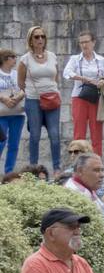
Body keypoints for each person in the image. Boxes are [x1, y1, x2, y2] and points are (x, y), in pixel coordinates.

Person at [63, 31, 104, 154]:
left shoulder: (102, 60)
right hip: (79, 96)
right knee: (79, 131)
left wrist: (102, 81)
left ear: (93, 42)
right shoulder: (75, 59)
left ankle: (97, 162)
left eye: (87, 42)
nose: (84, 45)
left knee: (97, 131)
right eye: (81, 43)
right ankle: (79, 162)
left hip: (96, 97)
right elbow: (67, 73)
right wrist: (83, 78)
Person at [19, 26, 61, 167]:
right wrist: (33, 92)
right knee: (35, 135)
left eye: (42, 36)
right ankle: (33, 168)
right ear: (30, 40)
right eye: (36, 37)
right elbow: (21, 82)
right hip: (33, 100)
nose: (40, 39)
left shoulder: (53, 56)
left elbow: (56, 78)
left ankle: (56, 168)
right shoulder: (25, 59)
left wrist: (51, 90)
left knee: (54, 135)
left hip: (52, 99)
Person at [0, 48, 23, 173]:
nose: (15, 59)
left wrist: (18, 97)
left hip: (17, 113)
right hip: (1, 114)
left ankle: (9, 172)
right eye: (13, 57)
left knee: (14, 145)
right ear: (6, 59)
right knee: (1, 143)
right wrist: (3, 98)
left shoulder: (17, 74)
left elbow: (24, 88)